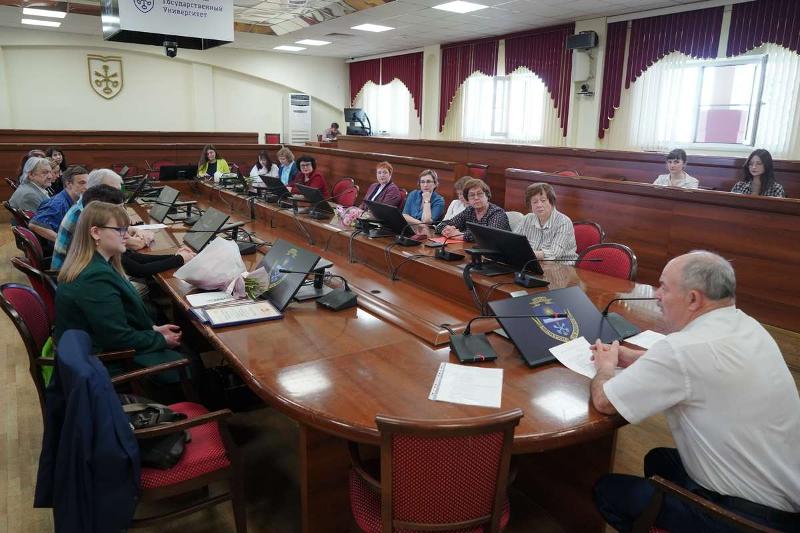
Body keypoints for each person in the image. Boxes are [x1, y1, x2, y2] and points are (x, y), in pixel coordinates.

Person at [590, 251, 800, 532]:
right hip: (787, 498)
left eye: (664, 287)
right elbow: (697, 365)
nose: (656, 295)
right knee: (658, 460)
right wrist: (635, 358)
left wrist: (605, 368)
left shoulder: (682, 350)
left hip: (748, 520)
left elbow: (604, 402)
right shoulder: (747, 326)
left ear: (693, 299)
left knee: (608, 491)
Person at [55, 202, 187, 378]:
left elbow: (116, 321)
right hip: (104, 363)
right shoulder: (93, 278)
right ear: (96, 232)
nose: (126, 235)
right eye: (120, 230)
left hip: (100, 349)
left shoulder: (100, 263)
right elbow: (117, 338)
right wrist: (160, 339)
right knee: (189, 362)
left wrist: (153, 329)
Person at [51, 169, 153, 270]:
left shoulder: (87, 205)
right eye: (112, 190)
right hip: (69, 273)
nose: (116, 195)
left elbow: (117, 231)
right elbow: (136, 245)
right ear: (100, 190)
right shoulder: (87, 214)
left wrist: (136, 230)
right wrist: (145, 238)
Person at [514, 182, 577, 260]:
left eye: (543, 200)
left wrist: (525, 253)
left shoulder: (564, 222)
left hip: (561, 265)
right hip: (534, 263)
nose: (539, 205)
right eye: (535, 202)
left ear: (551, 202)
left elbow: (554, 254)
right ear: (530, 205)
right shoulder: (527, 219)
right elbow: (513, 242)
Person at [29, 165, 90, 243]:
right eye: (82, 183)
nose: (86, 187)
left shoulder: (74, 201)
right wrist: (64, 242)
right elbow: (34, 224)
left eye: (88, 183)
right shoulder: (58, 204)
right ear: (68, 184)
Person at [439, 178, 509, 241]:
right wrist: (447, 230)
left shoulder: (497, 213)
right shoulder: (469, 210)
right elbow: (443, 224)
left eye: (480, 194)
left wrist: (459, 235)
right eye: (472, 195)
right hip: (472, 248)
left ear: (487, 196)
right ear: (468, 199)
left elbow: (490, 236)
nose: (476, 198)